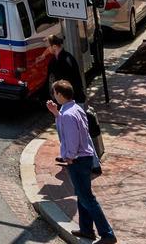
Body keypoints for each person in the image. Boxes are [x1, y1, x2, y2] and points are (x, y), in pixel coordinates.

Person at [48, 79, 116, 242]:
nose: (54, 96)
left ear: (59, 94)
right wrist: (56, 114)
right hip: (84, 158)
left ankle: (107, 234)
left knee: (87, 198)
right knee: (82, 194)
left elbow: (71, 138)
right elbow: (70, 128)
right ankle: (87, 229)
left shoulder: (69, 114)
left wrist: (69, 157)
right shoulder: (74, 108)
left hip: (77, 160)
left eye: (54, 93)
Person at [47, 33, 86, 103]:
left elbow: (72, 82)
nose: (46, 49)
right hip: (62, 99)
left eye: (48, 47)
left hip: (71, 99)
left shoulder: (67, 60)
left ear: (55, 47)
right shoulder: (53, 61)